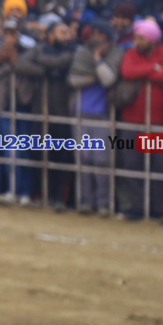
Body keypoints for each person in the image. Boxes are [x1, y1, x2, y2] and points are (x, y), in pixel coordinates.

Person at [116, 18, 163, 219]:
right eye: (136, 38)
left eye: (141, 38)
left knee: (161, 166)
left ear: (152, 39)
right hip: (131, 119)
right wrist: (153, 68)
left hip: (159, 120)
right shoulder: (131, 53)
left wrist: (144, 72)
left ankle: (160, 209)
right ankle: (137, 207)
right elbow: (127, 72)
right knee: (132, 164)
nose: (137, 42)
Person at [16, 21, 77, 209]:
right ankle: (43, 195)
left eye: (67, 32)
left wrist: (41, 62)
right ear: (51, 35)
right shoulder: (39, 49)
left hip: (63, 114)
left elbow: (63, 62)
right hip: (40, 112)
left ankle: (59, 199)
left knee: (62, 157)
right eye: (62, 32)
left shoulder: (72, 51)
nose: (67, 36)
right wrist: (46, 72)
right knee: (39, 154)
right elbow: (21, 64)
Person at [68, 20, 123, 215]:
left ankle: (103, 204)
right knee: (83, 159)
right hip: (80, 113)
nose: (92, 36)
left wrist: (98, 60)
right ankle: (85, 202)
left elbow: (109, 79)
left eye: (96, 33)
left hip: (102, 115)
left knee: (101, 161)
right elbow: (74, 79)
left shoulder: (116, 53)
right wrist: (95, 75)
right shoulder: (82, 53)